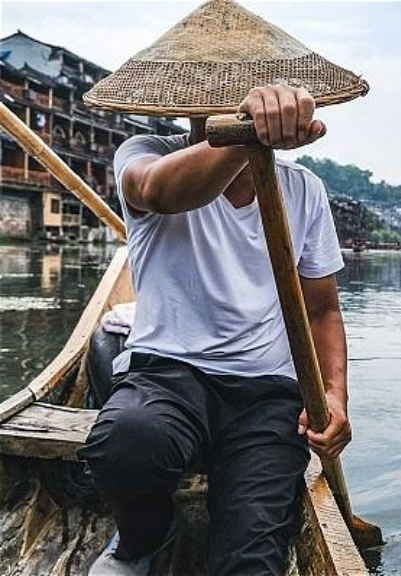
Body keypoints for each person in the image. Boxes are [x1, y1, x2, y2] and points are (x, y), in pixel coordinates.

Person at [79, 83, 352, 576]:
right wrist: (246, 135)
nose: (231, 96)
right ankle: (146, 534)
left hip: (266, 395)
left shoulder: (305, 188)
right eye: (220, 90)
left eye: (244, 91)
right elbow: (157, 192)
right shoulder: (145, 154)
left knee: (250, 559)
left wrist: (334, 397)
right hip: (167, 375)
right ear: (190, 101)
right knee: (125, 444)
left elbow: (322, 311)